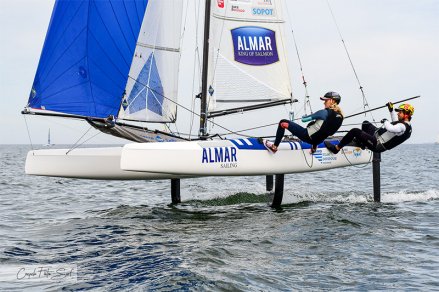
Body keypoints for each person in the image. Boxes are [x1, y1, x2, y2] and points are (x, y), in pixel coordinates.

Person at [264, 91, 344, 154]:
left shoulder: (324, 112)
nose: (324, 102)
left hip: (306, 136)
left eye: (325, 100)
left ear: (332, 100)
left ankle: (274, 147)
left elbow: (304, 120)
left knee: (283, 122)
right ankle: (314, 148)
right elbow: (326, 130)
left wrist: (306, 116)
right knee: (318, 127)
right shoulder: (340, 116)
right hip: (318, 141)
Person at [324, 102, 414, 154]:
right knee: (366, 123)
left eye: (400, 112)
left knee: (355, 131)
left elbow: (392, 128)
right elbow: (395, 122)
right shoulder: (404, 124)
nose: (398, 113)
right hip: (376, 135)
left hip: (377, 144)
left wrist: (386, 121)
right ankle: (363, 143)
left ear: (406, 114)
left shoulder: (403, 127)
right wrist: (391, 110)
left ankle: (336, 148)